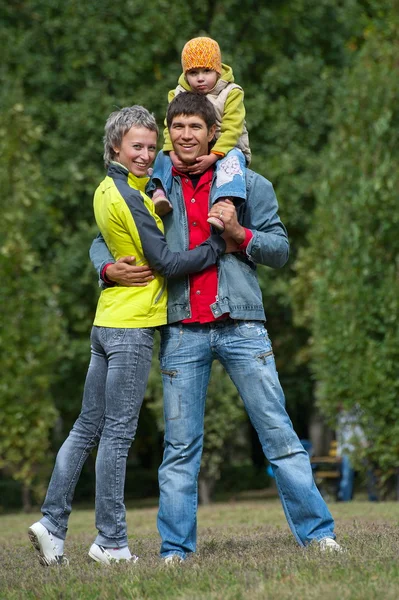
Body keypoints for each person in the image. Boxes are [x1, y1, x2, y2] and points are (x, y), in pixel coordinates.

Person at [90, 92, 343, 562]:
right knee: (180, 447)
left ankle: (318, 535)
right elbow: (105, 234)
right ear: (170, 132)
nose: (186, 135)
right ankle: (176, 551)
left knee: (280, 436)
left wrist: (239, 235)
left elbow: (280, 249)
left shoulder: (247, 184)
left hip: (243, 326)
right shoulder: (150, 187)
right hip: (182, 328)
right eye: (178, 127)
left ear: (212, 133)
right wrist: (106, 270)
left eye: (195, 127)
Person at [28, 104, 230, 567]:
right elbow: (167, 263)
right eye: (136, 147)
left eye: (150, 147)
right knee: (117, 436)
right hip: (132, 328)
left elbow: (112, 241)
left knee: (85, 428)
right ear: (115, 146)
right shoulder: (131, 198)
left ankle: (52, 525)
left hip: (106, 322)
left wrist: (106, 266)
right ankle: (111, 541)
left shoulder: (106, 188)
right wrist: (216, 246)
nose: (145, 155)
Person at [152, 36, 250, 231]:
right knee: (163, 154)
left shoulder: (231, 92)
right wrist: (172, 152)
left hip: (227, 145)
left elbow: (233, 128)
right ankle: (159, 192)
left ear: (218, 70)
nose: (200, 78)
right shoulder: (177, 93)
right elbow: (167, 126)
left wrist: (213, 157)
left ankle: (225, 203)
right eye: (193, 72)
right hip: (193, 147)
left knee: (231, 161)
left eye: (207, 71)